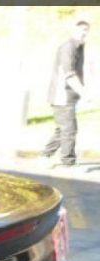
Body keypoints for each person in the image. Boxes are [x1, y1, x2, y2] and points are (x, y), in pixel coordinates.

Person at [43, 19, 90, 167]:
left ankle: (46, 155)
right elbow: (68, 74)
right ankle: (68, 162)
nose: (84, 32)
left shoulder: (78, 47)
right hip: (61, 96)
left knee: (62, 128)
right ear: (74, 30)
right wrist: (85, 93)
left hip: (69, 96)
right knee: (69, 129)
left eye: (86, 30)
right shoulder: (68, 48)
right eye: (81, 29)